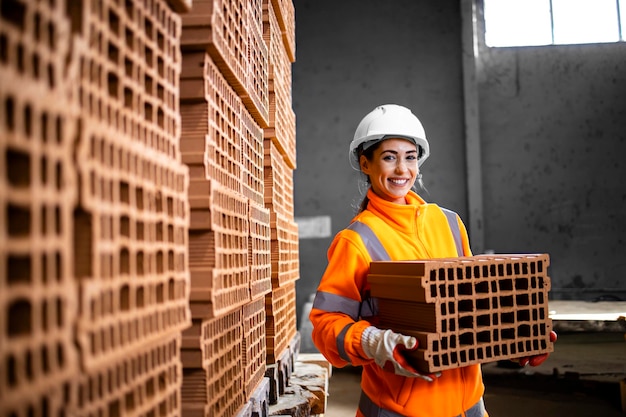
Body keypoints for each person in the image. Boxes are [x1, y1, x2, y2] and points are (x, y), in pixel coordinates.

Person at [309, 104, 557, 417]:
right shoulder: (357, 240)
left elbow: (473, 307)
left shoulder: (449, 223)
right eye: (389, 157)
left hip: (470, 405)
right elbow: (325, 326)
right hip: (401, 410)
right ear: (365, 163)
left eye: (410, 157)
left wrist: (516, 334)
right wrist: (371, 341)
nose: (402, 169)